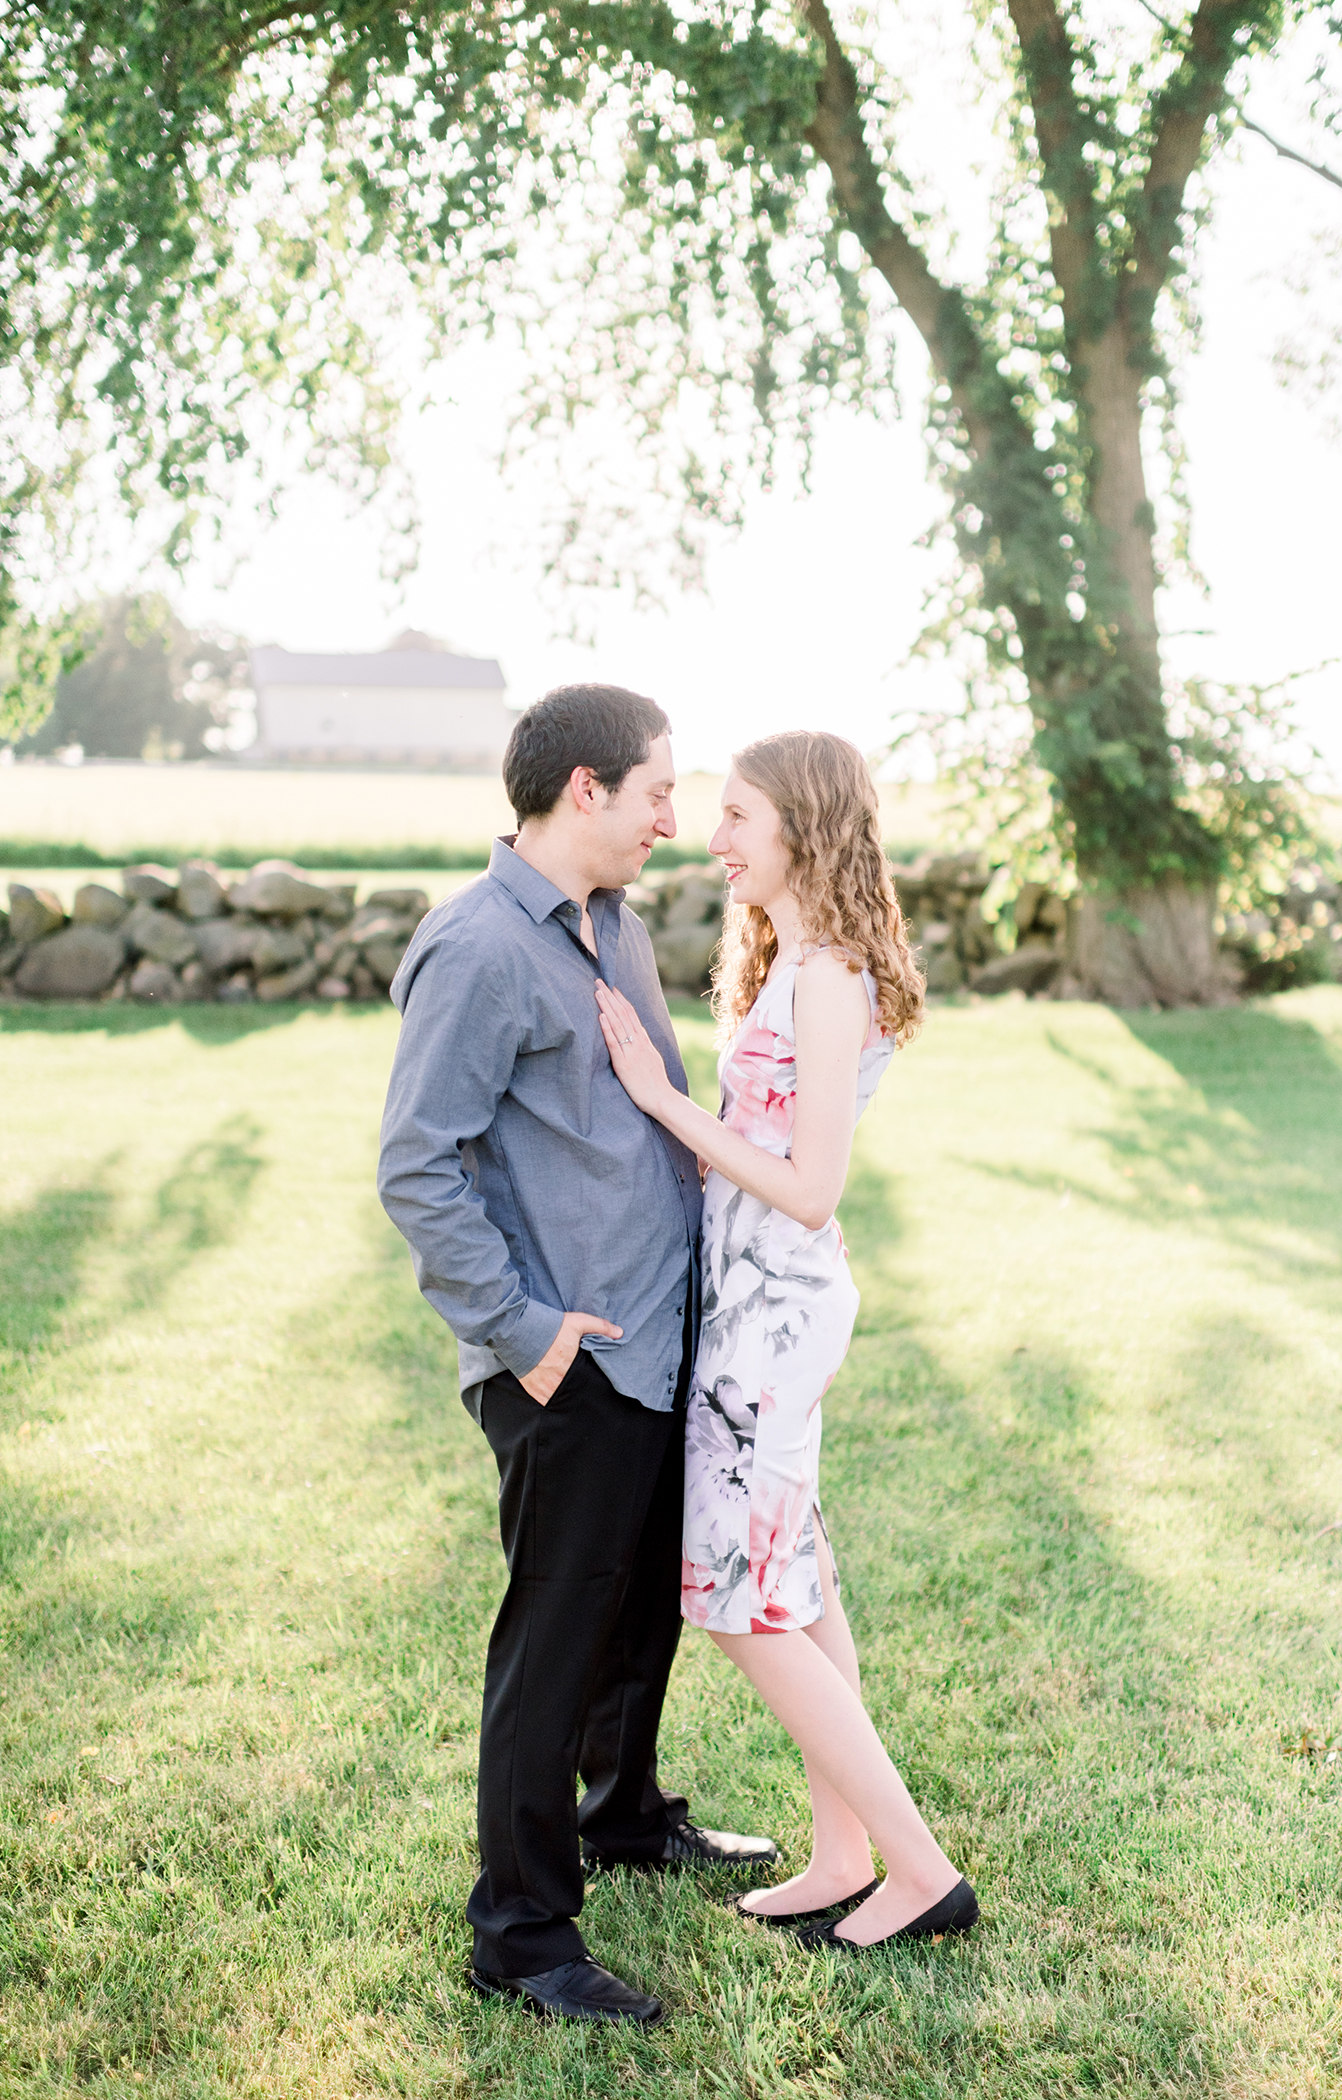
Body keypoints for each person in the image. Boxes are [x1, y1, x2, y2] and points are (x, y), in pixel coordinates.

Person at [378, 684, 776, 2029]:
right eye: (659, 791)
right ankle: (524, 1934)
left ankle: (625, 1815)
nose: (677, 818)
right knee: (552, 1642)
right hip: (570, 1360)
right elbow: (417, 1168)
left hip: (661, 1340)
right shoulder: (478, 948)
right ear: (584, 791)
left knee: (638, 1609)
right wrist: (531, 1334)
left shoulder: (617, 929)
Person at [594, 730, 980, 1954]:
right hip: (755, 1302)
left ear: (802, 827)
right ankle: (841, 1854)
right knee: (793, 1584)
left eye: (738, 818)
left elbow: (809, 1187)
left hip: (776, 1308)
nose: (713, 840)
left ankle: (920, 1872)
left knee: (737, 1603)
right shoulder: (795, 960)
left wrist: (660, 1102)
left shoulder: (825, 979)